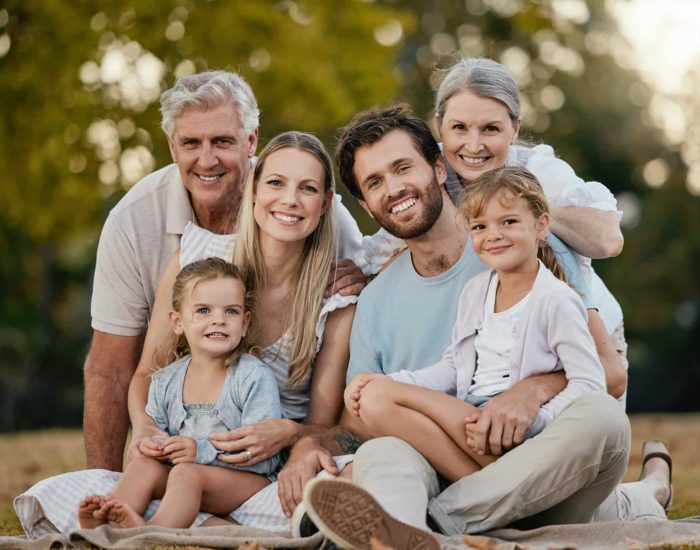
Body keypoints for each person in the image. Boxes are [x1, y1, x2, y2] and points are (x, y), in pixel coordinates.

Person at [296, 104, 631, 548]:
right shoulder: (375, 300)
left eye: (402, 168)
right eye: (375, 182)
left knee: (604, 420)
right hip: (442, 464)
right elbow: (358, 422)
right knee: (382, 451)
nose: (394, 189)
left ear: (438, 167)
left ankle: (433, 527)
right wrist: (310, 444)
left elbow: (610, 375)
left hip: (541, 471)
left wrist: (529, 393)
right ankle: (409, 531)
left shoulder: (519, 245)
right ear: (364, 203)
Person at [14, 132, 356, 536]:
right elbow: (148, 373)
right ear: (253, 191)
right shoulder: (199, 264)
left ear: (325, 204)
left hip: (264, 471)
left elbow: (321, 426)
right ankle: (137, 517)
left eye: (308, 188)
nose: (290, 200)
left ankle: (184, 524)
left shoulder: (335, 301)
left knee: (343, 483)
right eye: (276, 183)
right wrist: (145, 430)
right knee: (85, 484)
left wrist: (289, 433)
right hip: (179, 461)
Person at [83, 70, 366, 472]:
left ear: (251, 141)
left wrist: (365, 282)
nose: (207, 159)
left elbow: (369, 282)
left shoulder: (317, 215)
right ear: (171, 145)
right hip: (188, 440)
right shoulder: (144, 225)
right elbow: (113, 367)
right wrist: (122, 459)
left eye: (222, 141)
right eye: (191, 143)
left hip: (276, 454)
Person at [344, 166, 606, 483]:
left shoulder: (556, 300)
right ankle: (487, 489)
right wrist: (397, 381)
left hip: (517, 431)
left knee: (378, 400)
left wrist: (539, 419)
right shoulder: (477, 292)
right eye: (480, 226)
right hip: (473, 419)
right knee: (377, 397)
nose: (493, 235)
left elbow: (589, 383)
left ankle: (467, 498)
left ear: (541, 226)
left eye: (508, 222)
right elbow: (454, 367)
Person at [78, 258, 281, 529]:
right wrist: (150, 445)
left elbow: (264, 457)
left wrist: (200, 451)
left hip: (244, 481)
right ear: (177, 322)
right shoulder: (165, 381)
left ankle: (154, 531)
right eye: (204, 310)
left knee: (187, 473)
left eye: (230, 312)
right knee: (144, 467)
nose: (218, 320)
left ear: (245, 323)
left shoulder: (253, 377)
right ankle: (110, 517)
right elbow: (154, 433)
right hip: (184, 478)